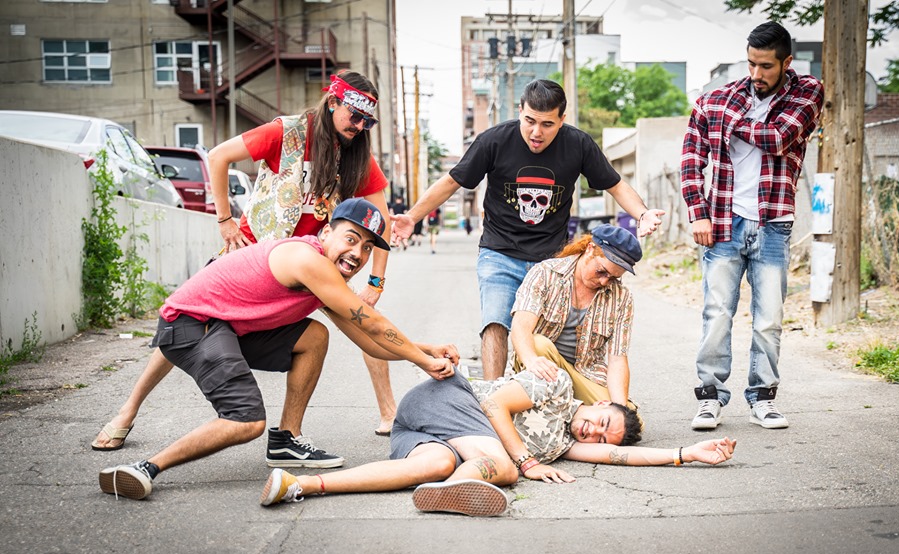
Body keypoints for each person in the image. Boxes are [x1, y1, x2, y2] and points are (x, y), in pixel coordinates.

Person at [91, 70, 399, 449]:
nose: (360, 126)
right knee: (186, 324)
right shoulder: (286, 132)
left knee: (364, 319)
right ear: (333, 102)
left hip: (312, 264)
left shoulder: (355, 154)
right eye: (355, 116)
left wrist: (375, 282)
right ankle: (127, 411)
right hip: (252, 258)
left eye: (368, 121)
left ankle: (385, 414)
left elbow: (380, 221)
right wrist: (225, 220)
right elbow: (218, 156)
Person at [98, 199, 458, 501]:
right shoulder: (307, 260)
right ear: (326, 233)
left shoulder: (326, 277)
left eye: (367, 248)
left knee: (314, 336)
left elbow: (368, 340)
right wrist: (425, 362)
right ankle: (146, 467)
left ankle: (286, 439)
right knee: (246, 420)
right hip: (191, 325)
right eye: (351, 239)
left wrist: (426, 350)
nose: (357, 254)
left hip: (224, 327)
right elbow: (374, 324)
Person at [391, 79, 665, 380]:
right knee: (495, 323)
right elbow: (451, 181)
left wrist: (642, 213)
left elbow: (615, 184)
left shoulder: (578, 144)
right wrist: (412, 217)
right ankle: (494, 395)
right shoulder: (494, 141)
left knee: (547, 334)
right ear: (520, 111)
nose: (536, 132)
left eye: (547, 124)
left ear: (562, 119)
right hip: (499, 251)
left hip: (552, 259)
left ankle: (547, 393)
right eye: (530, 121)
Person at [261, 369, 737, 515]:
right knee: (505, 468)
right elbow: (492, 405)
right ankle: (459, 487)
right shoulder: (555, 387)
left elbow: (619, 455)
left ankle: (299, 485)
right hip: (448, 400)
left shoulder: (564, 445)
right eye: (601, 420)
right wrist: (525, 461)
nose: (593, 432)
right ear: (600, 403)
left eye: (600, 434)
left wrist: (685, 454)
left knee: (430, 466)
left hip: (428, 433)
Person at [680, 22, 824, 430]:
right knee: (716, 314)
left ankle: (763, 398)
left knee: (769, 318)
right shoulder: (719, 98)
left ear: (786, 62)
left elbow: (778, 138)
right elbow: (691, 159)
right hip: (724, 221)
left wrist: (725, 121)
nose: (756, 74)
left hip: (773, 222)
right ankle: (710, 398)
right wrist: (698, 212)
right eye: (751, 64)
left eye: (766, 66)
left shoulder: (806, 92)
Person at [510, 224, 643, 425]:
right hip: (543, 368)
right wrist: (531, 360)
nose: (604, 282)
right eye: (601, 272)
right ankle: (571, 414)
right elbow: (521, 327)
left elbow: (617, 359)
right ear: (589, 249)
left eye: (613, 278)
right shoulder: (545, 273)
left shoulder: (621, 297)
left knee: (629, 420)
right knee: (538, 344)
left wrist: (618, 410)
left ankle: (563, 413)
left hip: (584, 374)